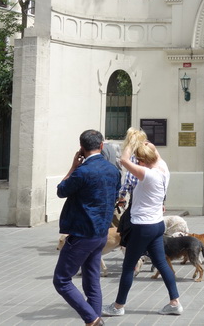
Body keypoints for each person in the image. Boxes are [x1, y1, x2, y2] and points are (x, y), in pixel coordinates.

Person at [103, 135, 182, 317]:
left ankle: (117, 306)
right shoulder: (163, 167)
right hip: (156, 225)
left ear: (144, 160)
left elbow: (123, 160)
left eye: (139, 160)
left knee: (128, 266)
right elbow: (155, 154)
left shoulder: (147, 174)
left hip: (142, 226)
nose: (137, 162)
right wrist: (147, 144)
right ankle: (174, 302)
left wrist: (130, 142)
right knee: (161, 263)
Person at [53, 129, 121, 326]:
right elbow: (115, 195)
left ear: (81, 148)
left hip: (82, 234)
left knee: (62, 280)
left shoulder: (81, 172)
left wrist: (73, 167)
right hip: (101, 233)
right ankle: (94, 319)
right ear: (101, 146)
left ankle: (92, 319)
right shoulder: (113, 170)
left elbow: (60, 191)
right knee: (92, 281)